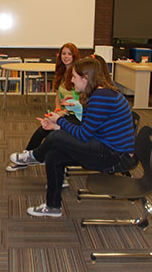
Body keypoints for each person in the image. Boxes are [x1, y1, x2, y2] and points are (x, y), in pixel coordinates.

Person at [10, 57, 136, 218]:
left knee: (56, 138)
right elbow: (86, 129)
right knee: (54, 156)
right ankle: (52, 206)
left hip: (115, 156)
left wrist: (59, 121)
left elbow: (83, 135)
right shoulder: (99, 94)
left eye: (74, 77)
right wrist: (58, 126)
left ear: (86, 78)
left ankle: (34, 156)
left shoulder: (102, 96)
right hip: (106, 147)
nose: (71, 80)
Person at [6, 42, 82, 173]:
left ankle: (46, 165)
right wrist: (57, 109)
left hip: (77, 115)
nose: (66, 56)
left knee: (53, 134)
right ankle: (25, 158)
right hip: (64, 113)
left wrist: (63, 113)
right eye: (64, 53)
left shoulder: (78, 74)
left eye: (69, 54)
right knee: (42, 130)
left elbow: (80, 101)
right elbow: (58, 95)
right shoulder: (61, 72)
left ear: (75, 56)